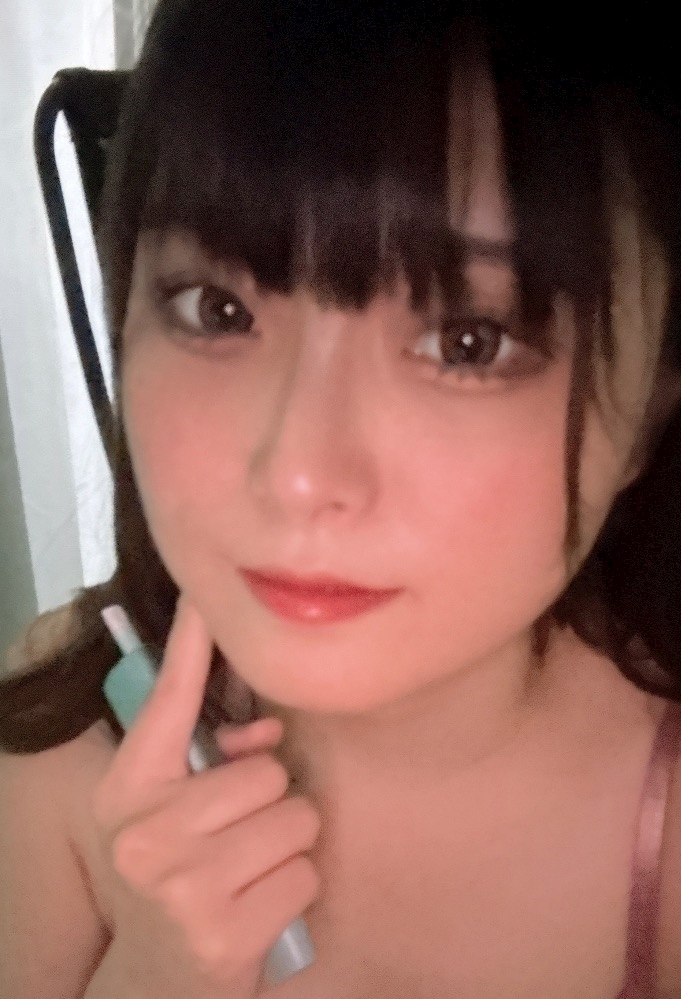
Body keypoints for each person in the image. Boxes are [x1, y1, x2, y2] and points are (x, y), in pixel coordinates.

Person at [3, 2, 681, 996]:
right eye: (216, 308)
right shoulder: (56, 743)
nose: (298, 476)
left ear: (652, 405)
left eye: (468, 343)